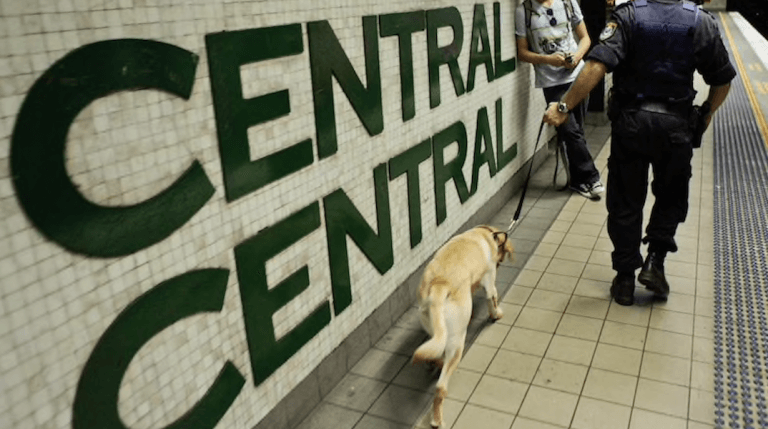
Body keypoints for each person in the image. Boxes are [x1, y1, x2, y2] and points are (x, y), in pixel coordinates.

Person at [543, 0, 736, 305]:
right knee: (671, 197)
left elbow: (595, 66)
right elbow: (723, 79)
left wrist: (564, 106)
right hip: (676, 127)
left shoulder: (628, 15)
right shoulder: (700, 21)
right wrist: (706, 114)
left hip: (631, 124)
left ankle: (624, 280)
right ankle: (655, 262)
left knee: (625, 201)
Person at [516, 0, 605, 200]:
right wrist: (548, 60)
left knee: (575, 132)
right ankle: (591, 178)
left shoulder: (568, 2)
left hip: (577, 77)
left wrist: (576, 57)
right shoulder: (524, 11)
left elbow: (585, 39)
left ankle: (577, 181)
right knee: (571, 130)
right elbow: (522, 53)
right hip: (551, 82)